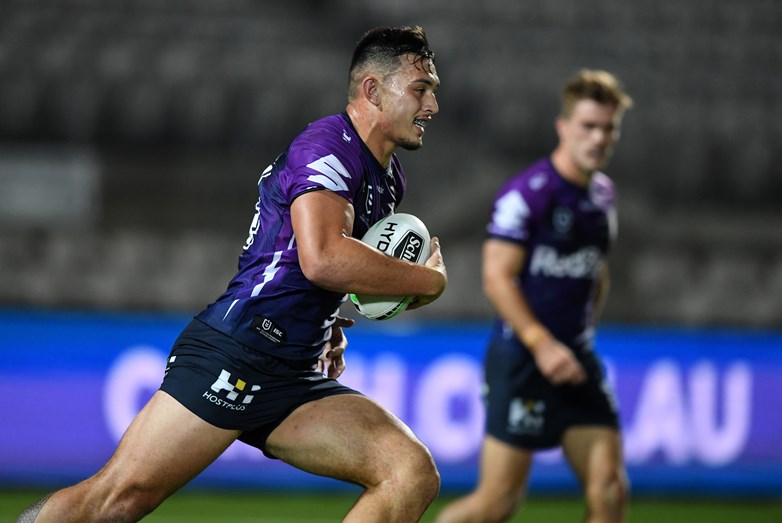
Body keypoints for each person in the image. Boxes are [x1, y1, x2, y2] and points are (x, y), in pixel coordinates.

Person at [19, 25, 446, 523]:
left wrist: (327, 327)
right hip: (240, 348)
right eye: (421, 89)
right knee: (114, 501)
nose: (432, 107)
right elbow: (324, 257)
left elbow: (315, 267)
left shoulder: (387, 178)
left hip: (292, 372)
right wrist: (427, 281)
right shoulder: (328, 144)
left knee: (409, 471)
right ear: (372, 90)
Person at [435, 70, 632, 523]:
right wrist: (542, 343)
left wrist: (579, 336)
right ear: (563, 127)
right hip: (523, 358)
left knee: (609, 489)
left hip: (577, 358)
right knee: (497, 504)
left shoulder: (604, 197)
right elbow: (497, 278)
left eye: (609, 128)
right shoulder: (526, 196)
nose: (599, 137)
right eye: (589, 126)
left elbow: (595, 272)